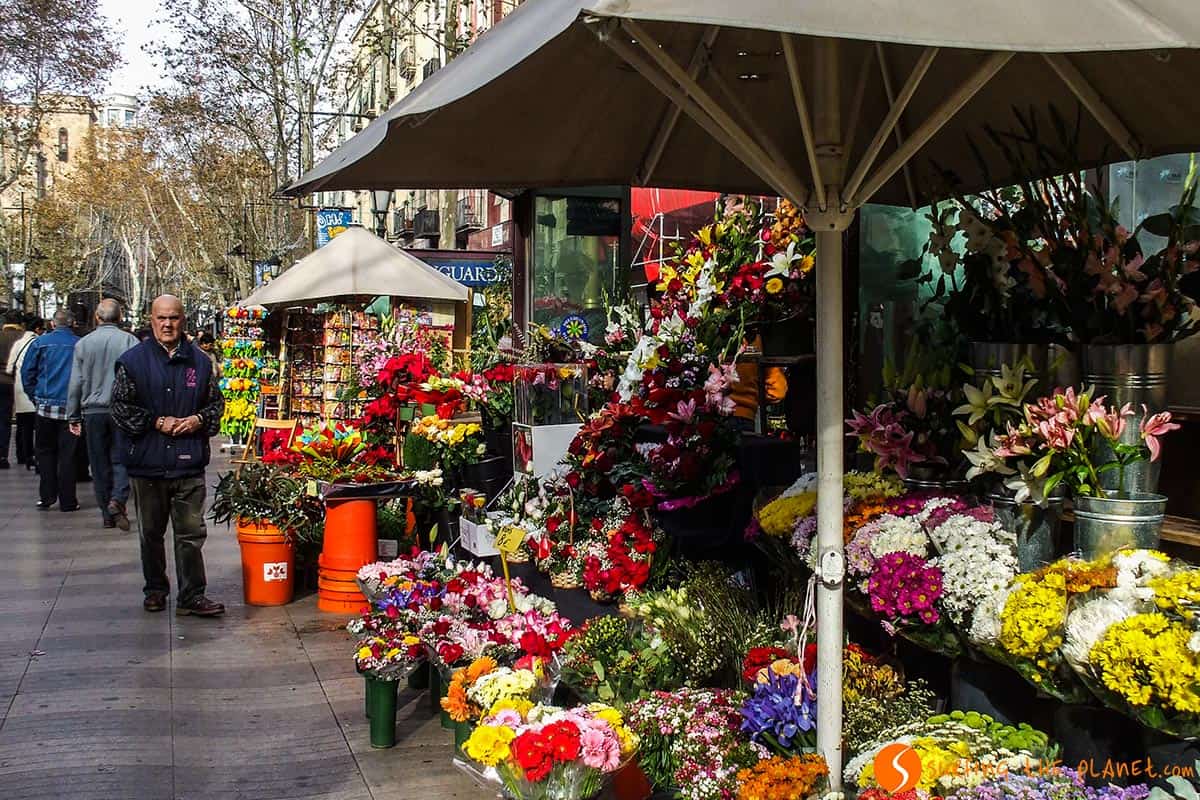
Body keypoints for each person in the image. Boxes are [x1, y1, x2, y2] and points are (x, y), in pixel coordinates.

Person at [111, 295, 225, 616]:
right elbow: (119, 408)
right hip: (148, 463)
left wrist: (198, 420)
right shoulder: (132, 361)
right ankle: (155, 589)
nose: (167, 324)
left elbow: (215, 405)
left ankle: (192, 594)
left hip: (188, 463)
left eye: (173, 318)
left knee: (190, 534)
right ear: (152, 320)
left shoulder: (200, 362)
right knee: (151, 533)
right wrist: (156, 421)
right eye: (161, 318)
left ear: (182, 320)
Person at [68, 299, 139, 530]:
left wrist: (73, 415)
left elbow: (76, 382)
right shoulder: (130, 342)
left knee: (98, 463)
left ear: (97, 317)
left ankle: (107, 514)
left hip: (93, 411)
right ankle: (117, 498)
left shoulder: (83, 344)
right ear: (120, 317)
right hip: (122, 409)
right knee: (122, 458)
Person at [20, 309, 81, 510]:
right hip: (71, 409)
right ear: (72, 324)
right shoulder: (80, 344)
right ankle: (68, 500)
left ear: (53, 324)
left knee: (45, 452)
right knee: (68, 455)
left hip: (45, 407)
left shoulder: (40, 343)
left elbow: (27, 373)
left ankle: (47, 496)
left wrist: (35, 397)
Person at [6, 314, 38, 469]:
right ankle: (34, 455)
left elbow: (9, 367)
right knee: (37, 424)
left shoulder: (19, 343)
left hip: (19, 387)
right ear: (38, 329)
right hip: (35, 387)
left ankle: (22, 455)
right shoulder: (39, 342)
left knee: (22, 424)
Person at [0, 310, 25, 467]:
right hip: (15, 382)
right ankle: (17, 454)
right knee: (12, 419)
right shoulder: (24, 337)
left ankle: (1, 454)